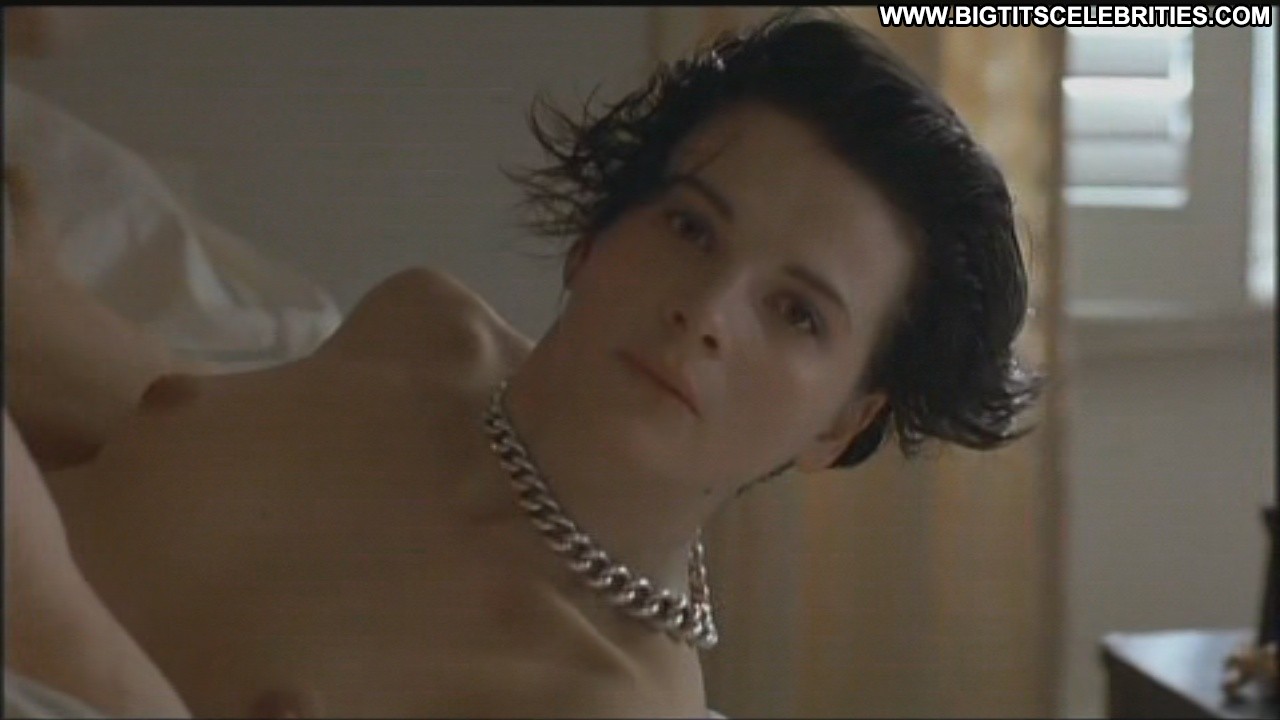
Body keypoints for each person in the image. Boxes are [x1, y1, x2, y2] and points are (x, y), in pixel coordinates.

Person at [39, 8, 1041, 717]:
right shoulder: (419, 331)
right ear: (593, 238)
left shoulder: (591, 698)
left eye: (796, 313)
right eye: (690, 228)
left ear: (840, 422)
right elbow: (149, 430)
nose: (705, 311)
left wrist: (33, 599)